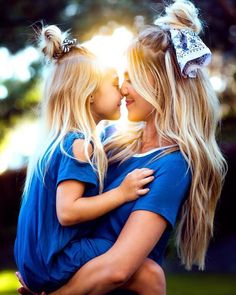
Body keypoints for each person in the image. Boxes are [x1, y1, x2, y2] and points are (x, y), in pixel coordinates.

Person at [17, 0, 227, 294]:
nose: (123, 89)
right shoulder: (110, 140)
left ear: (159, 85)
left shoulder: (172, 165)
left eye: (130, 79)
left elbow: (119, 269)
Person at [14, 24, 159, 294]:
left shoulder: (54, 143)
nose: (123, 92)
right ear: (90, 94)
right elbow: (67, 212)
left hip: (36, 262)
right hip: (56, 260)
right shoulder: (78, 145)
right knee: (138, 264)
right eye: (115, 85)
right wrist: (122, 193)